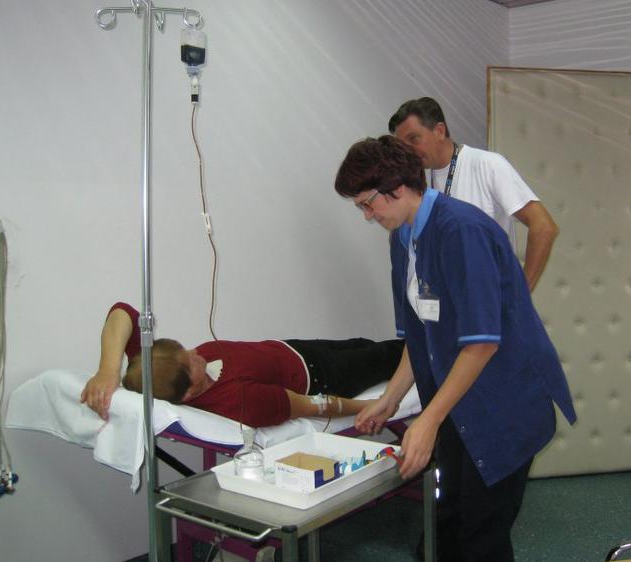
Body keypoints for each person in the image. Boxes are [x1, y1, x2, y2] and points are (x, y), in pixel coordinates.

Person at [334, 136, 576, 562]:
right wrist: (390, 399)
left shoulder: (462, 231)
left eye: (368, 204)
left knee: (480, 536)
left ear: (397, 188)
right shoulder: (403, 239)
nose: (368, 216)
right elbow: (419, 332)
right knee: (446, 524)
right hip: (459, 403)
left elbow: (481, 344)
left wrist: (428, 420)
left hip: (503, 403)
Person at [80, 301, 404, 428]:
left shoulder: (151, 369)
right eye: (190, 361)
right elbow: (316, 405)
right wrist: (374, 407)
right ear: (189, 392)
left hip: (294, 349)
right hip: (324, 375)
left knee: (367, 344)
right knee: (393, 355)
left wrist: (107, 370)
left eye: (185, 349)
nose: (195, 353)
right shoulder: (239, 400)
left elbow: (124, 312)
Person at [389, 96, 558, 291]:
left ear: (439, 131)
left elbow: (544, 227)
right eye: (402, 146)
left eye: (414, 139)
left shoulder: (488, 165)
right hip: (444, 301)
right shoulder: (417, 181)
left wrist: (521, 295)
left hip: (487, 300)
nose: (408, 151)